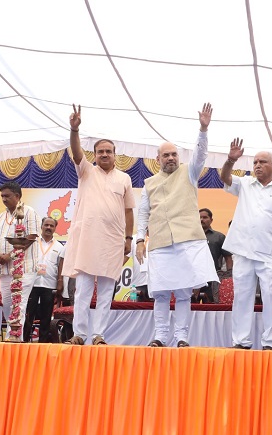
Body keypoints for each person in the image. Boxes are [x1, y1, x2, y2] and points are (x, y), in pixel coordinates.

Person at [136, 103, 218, 348]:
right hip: (160, 242)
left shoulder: (189, 173)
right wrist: (140, 239)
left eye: (174, 155)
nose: (171, 158)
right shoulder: (149, 183)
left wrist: (203, 129)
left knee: (183, 294)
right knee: (160, 293)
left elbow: (201, 154)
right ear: (158, 159)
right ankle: (160, 336)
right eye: (166, 155)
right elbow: (143, 213)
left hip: (187, 241)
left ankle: (181, 337)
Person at [61, 105, 135, 345]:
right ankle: (80, 335)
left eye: (108, 151)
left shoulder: (124, 178)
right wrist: (74, 130)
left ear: (115, 154)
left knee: (105, 293)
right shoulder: (86, 172)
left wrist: (128, 239)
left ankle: (99, 335)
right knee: (82, 291)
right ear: (94, 156)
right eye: (100, 151)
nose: (104, 155)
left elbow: (128, 211)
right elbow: (76, 151)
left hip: (112, 242)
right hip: (87, 240)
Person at [220, 139, 272, 350]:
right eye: (255, 162)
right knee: (242, 296)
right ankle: (241, 342)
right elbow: (225, 178)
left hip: (269, 254)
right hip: (243, 251)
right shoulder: (244, 184)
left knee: (271, 298)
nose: (258, 166)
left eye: (262, 162)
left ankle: (270, 343)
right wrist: (230, 160)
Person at [0, 182, 40, 340]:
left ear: (17, 196)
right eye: (2, 196)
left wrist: (10, 255)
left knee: (18, 304)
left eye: (7, 196)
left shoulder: (29, 212)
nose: (4, 199)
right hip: (5, 270)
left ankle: (13, 341)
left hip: (24, 269)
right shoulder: (2, 216)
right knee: (7, 306)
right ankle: (15, 336)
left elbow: (32, 237)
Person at [25, 217, 65, 342]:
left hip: (49, 285)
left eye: (51, 226)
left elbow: (60, 266)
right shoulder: (33, 243)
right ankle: (24, 340)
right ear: (41, 226)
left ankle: (42, 344)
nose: (48, 227)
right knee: (28, 314)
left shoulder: (59, 246)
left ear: (54, 229)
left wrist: (60, 282)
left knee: (46, 316)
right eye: (46, 225)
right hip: (32, 283)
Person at [197, 208, 232, 302]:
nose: (202, 220)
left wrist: (229, 276)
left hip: (213, 277)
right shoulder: (191, 236)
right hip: (194, 277)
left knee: (211, 304)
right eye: (199, 217)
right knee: (191, 305)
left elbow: (228, 257)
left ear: (211, 220)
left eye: (205, 217)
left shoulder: (219, 237)